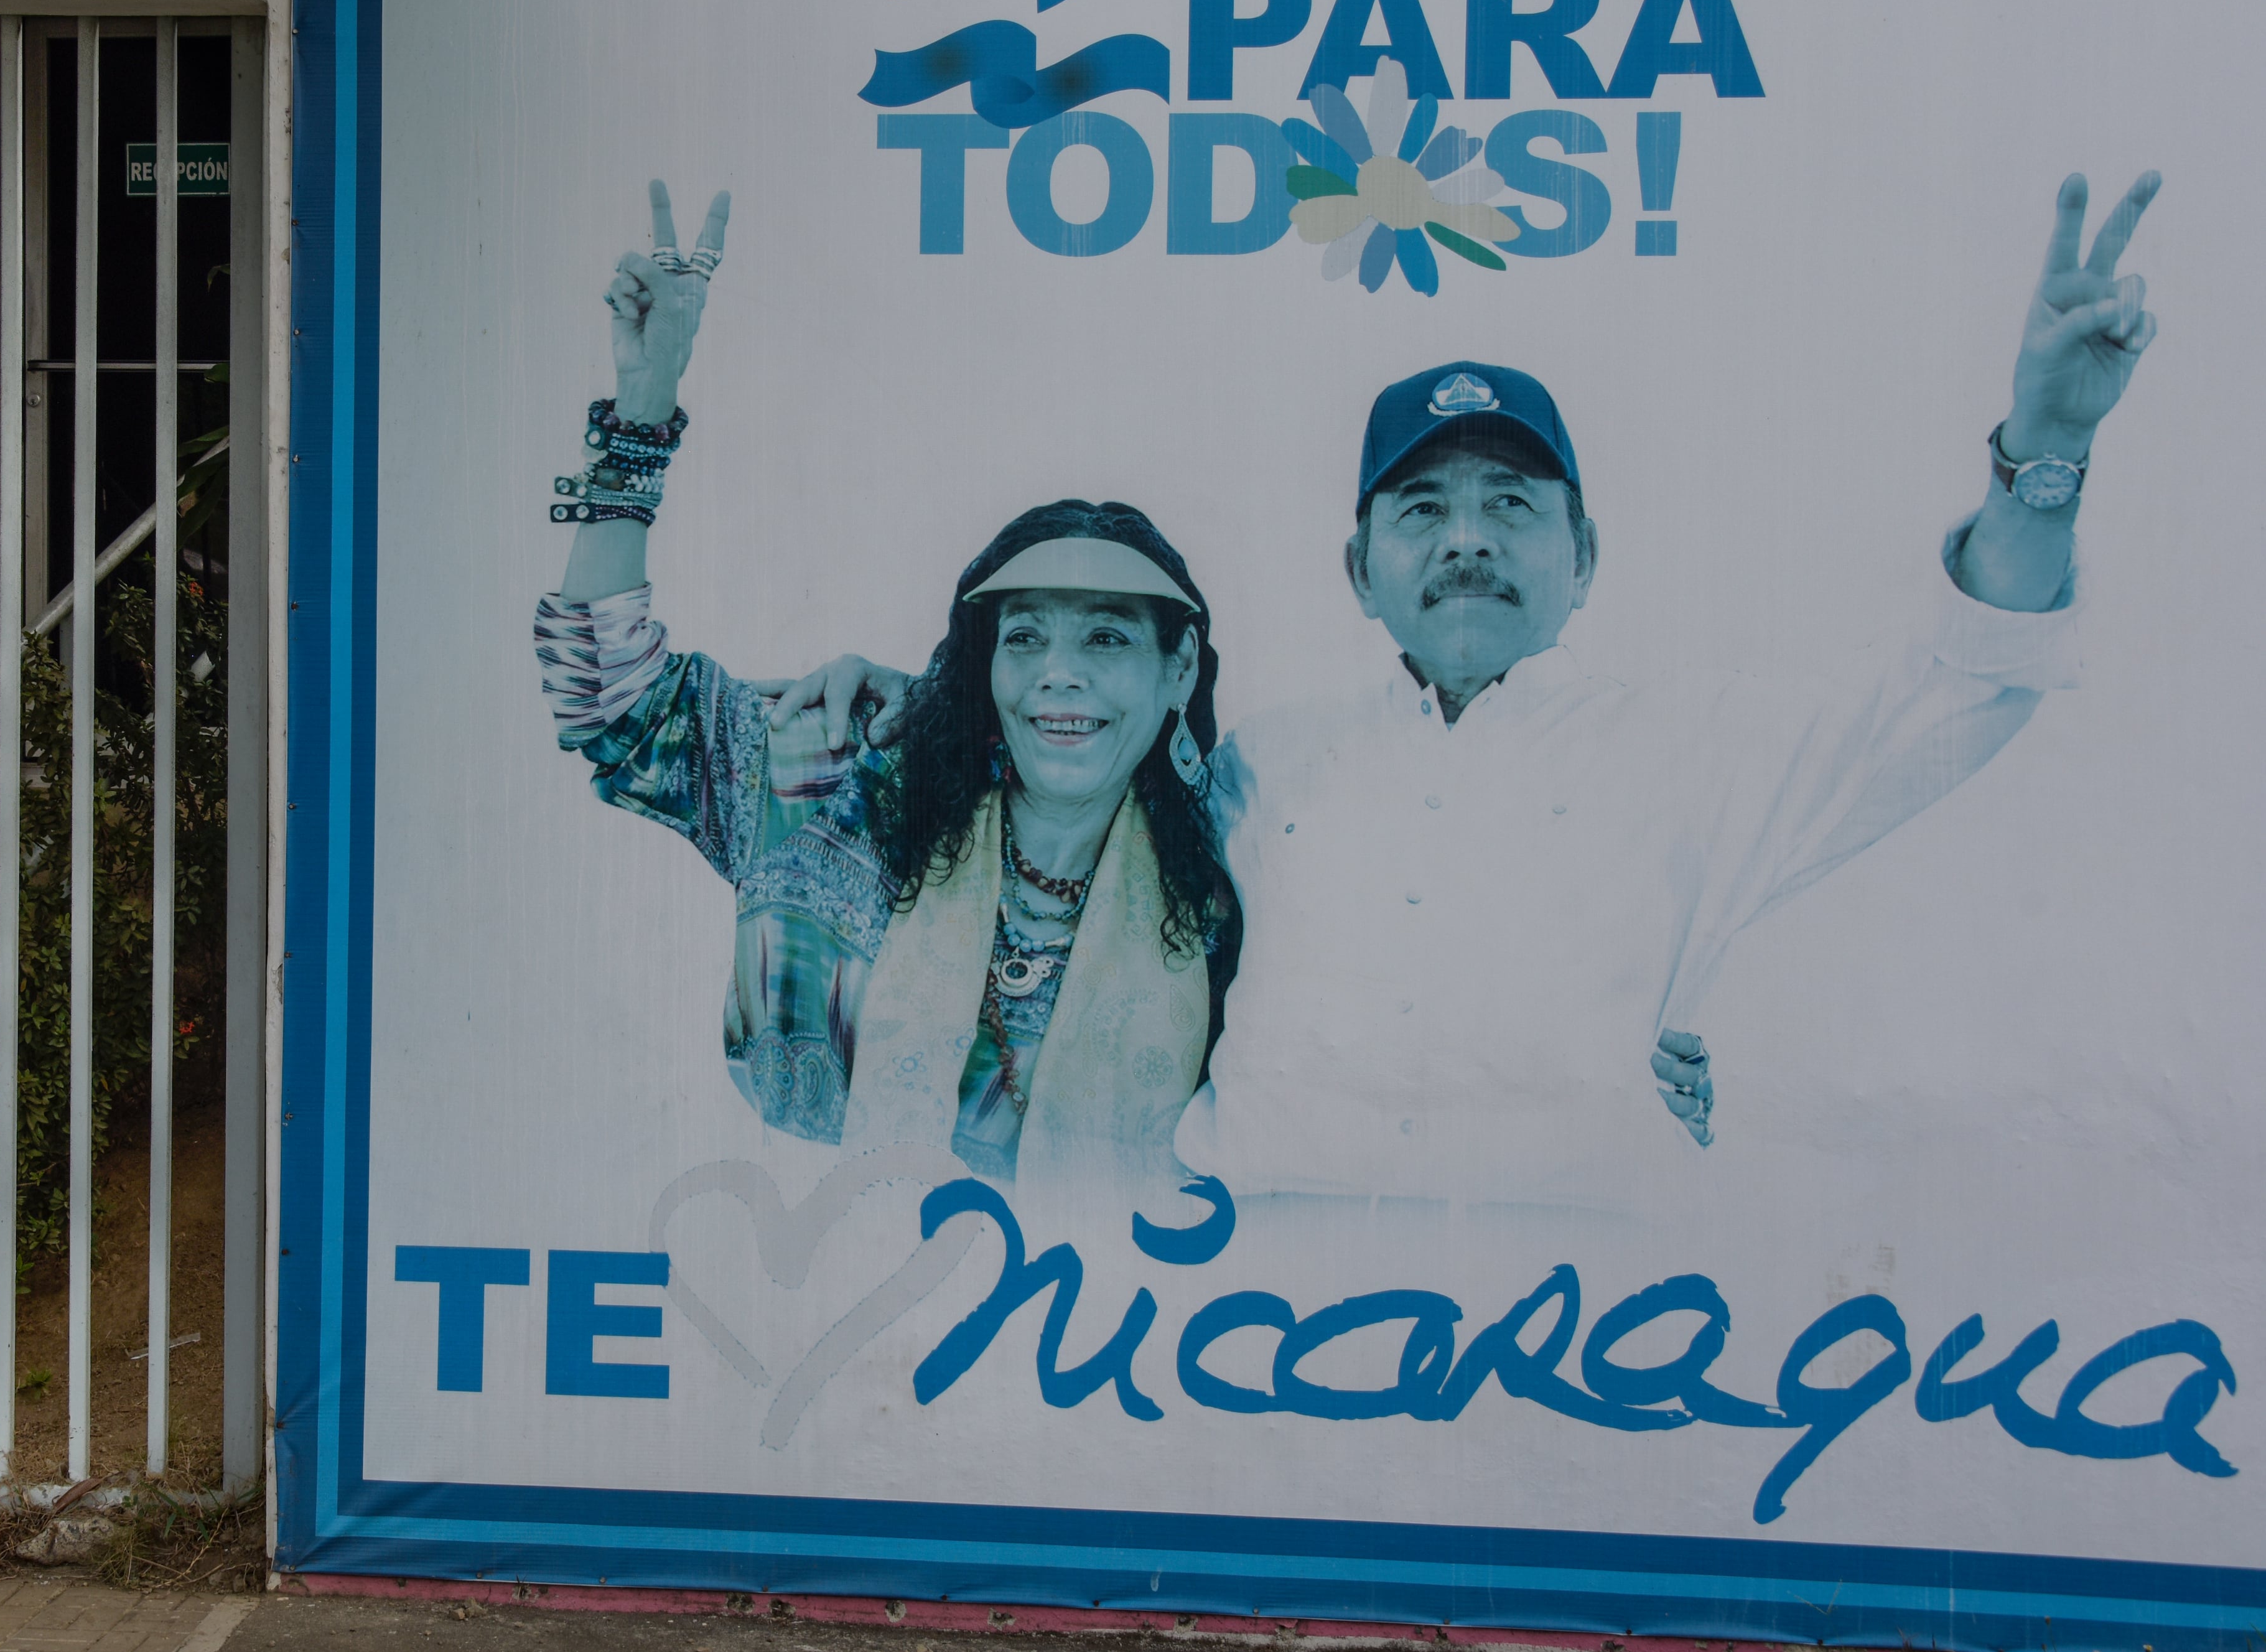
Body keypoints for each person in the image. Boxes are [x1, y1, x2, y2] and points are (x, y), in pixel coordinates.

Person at [775, 171, 2162, 1208]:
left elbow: (1963, 684)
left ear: (1583, 557)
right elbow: (1065, 765)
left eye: (1512, 501)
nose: (1466, 539)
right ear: (1358, 568)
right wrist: (897, 699)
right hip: (1247, 1309)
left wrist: (2042, 450)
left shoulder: (1699, 750)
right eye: (1421, 507)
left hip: (1567, 1321)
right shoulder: (1265, 764)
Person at [534, 183, 1241, 1191]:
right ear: (981, 658)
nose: (1059, 672)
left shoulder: (1239, 873)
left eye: (1107, 635)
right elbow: (606, 700)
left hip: (1092, 1321)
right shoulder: (841, 778)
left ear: (1179, 667)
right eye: (1024, 632)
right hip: (803, 1289)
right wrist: (638, 421)